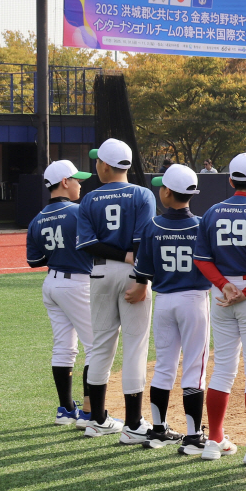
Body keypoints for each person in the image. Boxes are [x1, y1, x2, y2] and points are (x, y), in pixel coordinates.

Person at [192, 152, 246, 464]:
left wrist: (222, 284)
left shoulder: (212, 212)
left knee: (223, 369)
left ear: (230, 180)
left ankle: (214, 441)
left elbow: (201, 259)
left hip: (222, 294)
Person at [76, 138, 157, 439]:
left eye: (98, 161)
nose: (96, 165)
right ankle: (133, 424)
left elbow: (87, 244)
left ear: (106, 166)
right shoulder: (142, 194)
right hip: (134, 272)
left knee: (100, 345)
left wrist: (122, 256)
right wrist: (141, 278)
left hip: (99, 272)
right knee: (135, 345)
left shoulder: (89, 198)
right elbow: (142, 242)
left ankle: (97, 420)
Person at [131, 165, 209, 449]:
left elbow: (143, 272)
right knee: (194, 367)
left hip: (164, 300)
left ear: (166, 192)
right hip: (194, 300)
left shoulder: (153, 226)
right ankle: (193, 435)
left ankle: (158, 429)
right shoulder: (202, 224)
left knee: (164, 365)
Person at [26, 160, 95, 429]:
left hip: (52, 283)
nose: (80, 184)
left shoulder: (37, 219)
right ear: (64, 182)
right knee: (96, 347)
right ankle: (90, 412)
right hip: (77, 284)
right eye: (76, 179)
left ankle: (66, 410)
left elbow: (34, 260)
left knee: (63, 348)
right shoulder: (79, 212)